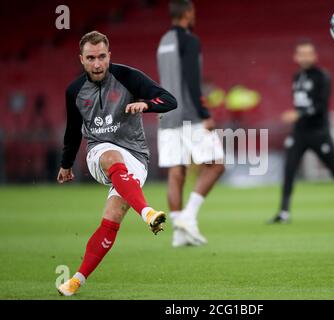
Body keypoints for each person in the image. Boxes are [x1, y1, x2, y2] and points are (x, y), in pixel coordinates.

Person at [56, 31, 177, 296]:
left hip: (136, 157)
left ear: (109, 55)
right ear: (82, 60)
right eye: (91, 58)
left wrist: (145, 104)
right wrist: (66, 164)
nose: (97, 63)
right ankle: (147, 213)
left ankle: (76, 280)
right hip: (99, 152)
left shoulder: (128, 77)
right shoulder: (75, 91)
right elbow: (73, 130)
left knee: (112, 218)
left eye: (101, 57)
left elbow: (169, 100)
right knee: (111, 155)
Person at [270, 39, 334, 224]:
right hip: (299, 133)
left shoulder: (322, 76)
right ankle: (284, 212)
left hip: (318, 132)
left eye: (309, 53)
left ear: (315, 56)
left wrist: (299, 114)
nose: (305, 57)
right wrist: (299, 117)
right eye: (302, 54)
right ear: (296, 57)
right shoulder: (297, 77)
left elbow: (321, 106)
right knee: (289, 169)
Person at [157, 0, 225, 247]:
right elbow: (192, 80)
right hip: (189, 115)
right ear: (187, 14)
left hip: (167, 115)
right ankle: (188, 216)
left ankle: (178, 234)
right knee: (216, 164)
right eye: (193, 12)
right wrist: (204, 112)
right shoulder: (190, 40)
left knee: (177, 172)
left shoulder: (163, 42)